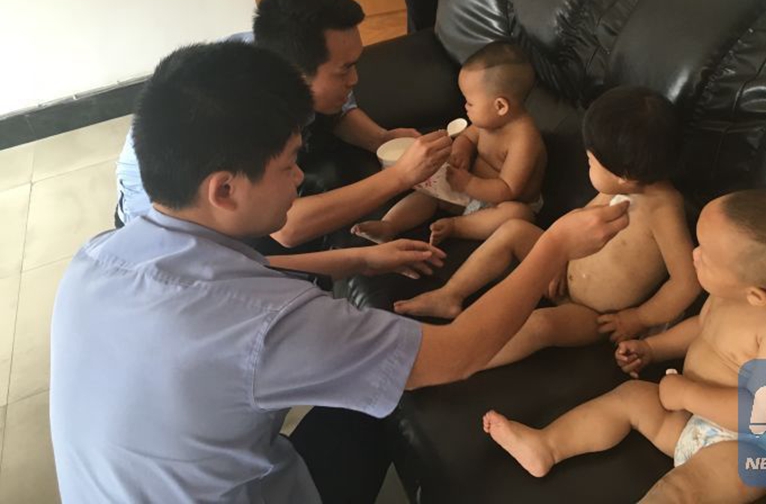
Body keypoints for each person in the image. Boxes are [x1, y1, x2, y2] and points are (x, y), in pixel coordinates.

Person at [51, 41, 631, 504]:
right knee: (381, 406)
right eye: (288, 165)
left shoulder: (96, 258)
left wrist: (361, 258)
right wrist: (554, 246)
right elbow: (456, 356)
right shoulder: (271, 324)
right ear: (224, 189)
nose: (299, 178)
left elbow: (231, 279)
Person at [482, 189, 766, 504]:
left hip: (752, 446)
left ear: (756, 295)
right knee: (630, 397)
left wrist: (687, 394)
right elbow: (704, 328)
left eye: (706, 256)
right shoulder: (730, 291)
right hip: (695, 418)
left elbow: (760, 415)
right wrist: (653, 348)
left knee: (683, 488)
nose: (694, 255)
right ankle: (547, 445)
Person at [114, 0, 443, 253]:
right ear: (297, 74)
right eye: (344, 70)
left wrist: (381, 140)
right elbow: (288, 228)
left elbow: (340, 111)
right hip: (169, 234)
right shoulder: (243, 109)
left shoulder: (275, 50)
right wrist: (400, 176)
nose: (354, 79)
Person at [394, 87, 699, 367]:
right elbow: (581, 215)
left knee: (541, 325)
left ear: (624, 176)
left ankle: (467, 362)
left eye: (591, 161)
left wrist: (638, 318)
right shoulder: (616, 188)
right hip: (560, 271)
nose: (587, 163)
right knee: (513, 229)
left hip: (592, 314)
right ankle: (450, 294)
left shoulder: (664, 210)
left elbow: (686, 283)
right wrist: (558, 257)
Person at [352, 41, 546, 245]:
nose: (465, 106)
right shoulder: (489, 121)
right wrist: (461, 151)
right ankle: (389, 225)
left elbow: (507, 189)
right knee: (432, 193)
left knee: (517, 215)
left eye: (470, 102)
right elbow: (467, 137)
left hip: (502, 202)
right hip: (469, 189)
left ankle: (457, 226)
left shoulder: (523, 140)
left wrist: (468, 184)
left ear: (500, 106)